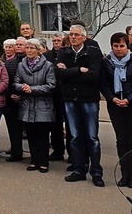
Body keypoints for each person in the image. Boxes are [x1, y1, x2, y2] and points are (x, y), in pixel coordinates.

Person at [56, 24, 104, 187]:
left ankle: (96, 172)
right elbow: (59, 74)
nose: (73, 37)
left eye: (76, 34)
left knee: (92, 137)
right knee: (75, 137)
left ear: (84, 37)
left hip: (89, 99)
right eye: (71, 34)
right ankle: (78, 169)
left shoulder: (93, 53)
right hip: (70, 99)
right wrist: (78, 70)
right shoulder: (63, 52)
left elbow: (93, 76)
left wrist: (70, 72)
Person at [14, 39, 56, 173]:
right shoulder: (21, 65)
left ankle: (43, 162)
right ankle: (34, 160)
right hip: (27, 105)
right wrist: (23, 87)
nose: (29, 51)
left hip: (42, 105)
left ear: (38, 50)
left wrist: (33, 89)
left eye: (32, 48)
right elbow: (16, 82)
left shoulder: (48, 65)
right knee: (31, 134)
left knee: (42, 135)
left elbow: (51, 85)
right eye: (27, 48)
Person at [99, 32, 132, 187]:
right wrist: (112, 98)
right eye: (116, 46)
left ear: (127, 46)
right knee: (121, 140)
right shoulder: (106, 62)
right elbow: (103, 84)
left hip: (130, 103)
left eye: (122, 46)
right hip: (115, 104)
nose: (119, 49)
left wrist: (128, 99)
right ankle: (125, 173)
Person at [44, 33, 66, 161]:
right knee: (55, 124)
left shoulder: (67, 54)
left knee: (69, 123)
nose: (56, 43)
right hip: (52, 93)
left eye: (58, 40)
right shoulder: (47, 56)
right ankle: (58, 150)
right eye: (54, 40)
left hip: (66, 93)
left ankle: (73, 153)